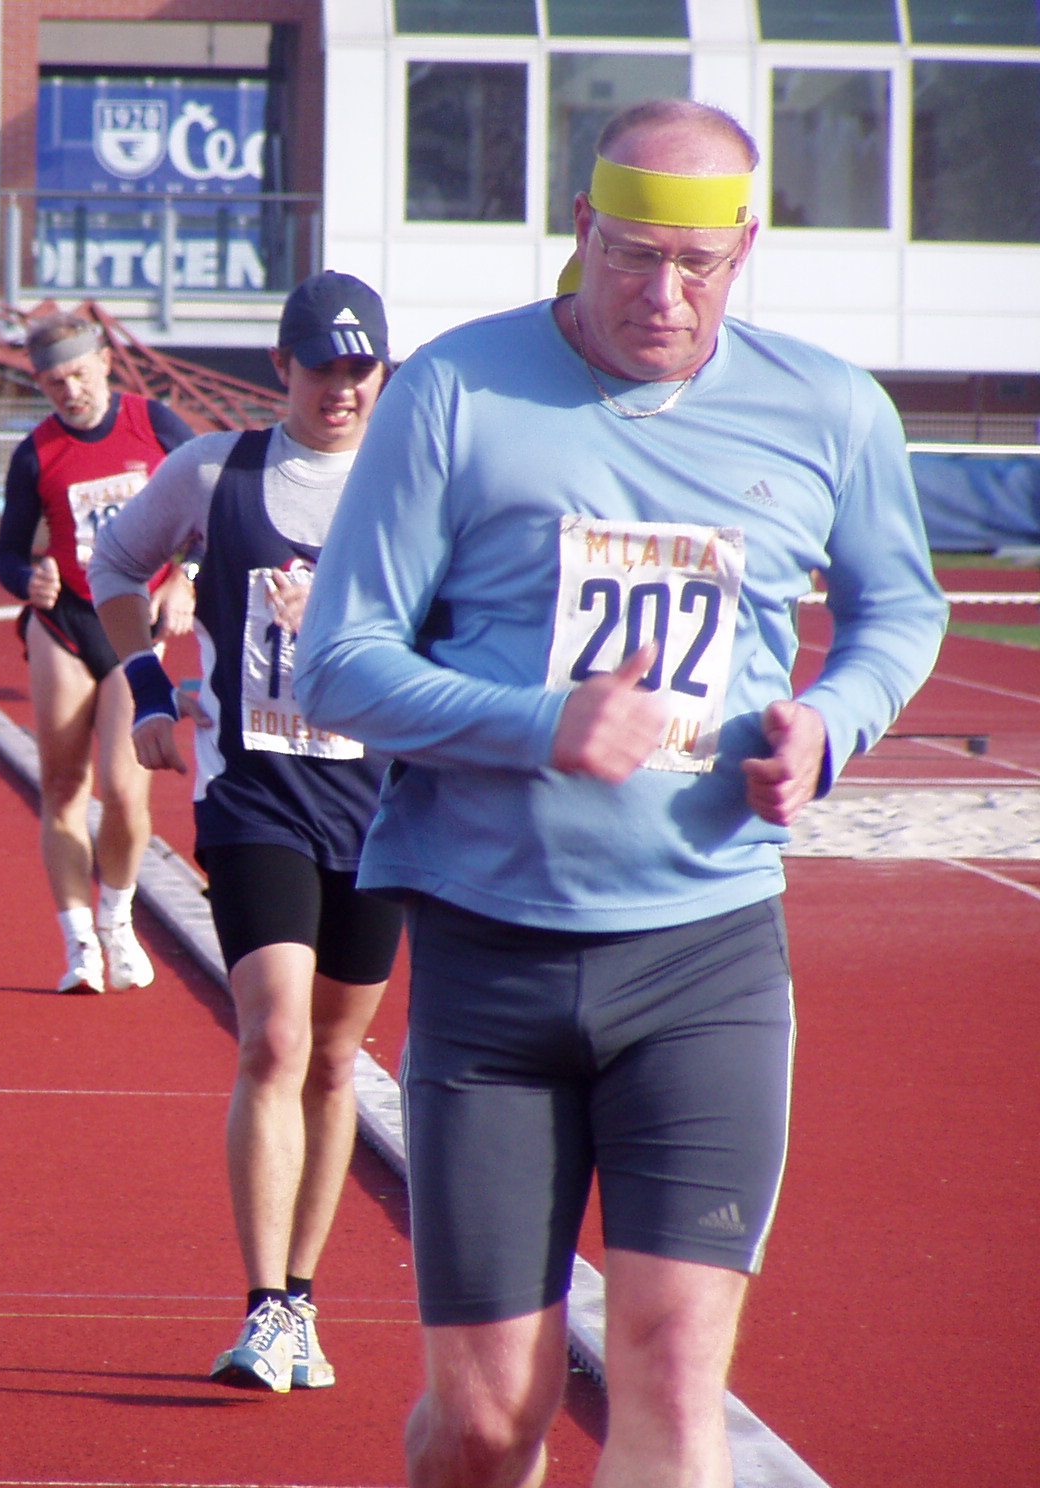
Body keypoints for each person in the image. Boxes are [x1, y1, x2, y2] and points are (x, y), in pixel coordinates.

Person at [292, 100, 946, 1486]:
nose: (664, 295)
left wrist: (829, 724)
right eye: (635, 257)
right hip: (490, 955)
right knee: (487, 1421)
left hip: (703, 957)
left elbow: (900, 610)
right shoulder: (456, 391)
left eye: (697, 265)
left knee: (670, 1374)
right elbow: (338, 664)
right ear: (581, 228)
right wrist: (544, 725)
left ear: (743, 249)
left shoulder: (829, 408)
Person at [90, 271, 401, 1394]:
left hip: (377, 805)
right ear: (282, 367)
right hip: (252, 795)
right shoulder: (217, 473)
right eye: (322, 367)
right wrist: (148, 689)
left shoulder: (411, 482)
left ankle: (303, 1303)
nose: (341, 388)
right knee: (272, 1038)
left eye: (360, 369)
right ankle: (266, 1306)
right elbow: (114, 563)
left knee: (334, 1059)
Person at [0, 313, 197, 993]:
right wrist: (29, 580)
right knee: (61, 787)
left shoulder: (155, 425)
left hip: (134, 621)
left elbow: (214, 509)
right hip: (67, 623)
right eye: (53, 383)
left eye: (78, 375)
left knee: (125, 790)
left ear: (106, 362)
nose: (70, 391)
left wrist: (185, 580)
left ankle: (117, 918)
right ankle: (79, 943)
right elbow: (7, 553)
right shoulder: (36, 454)